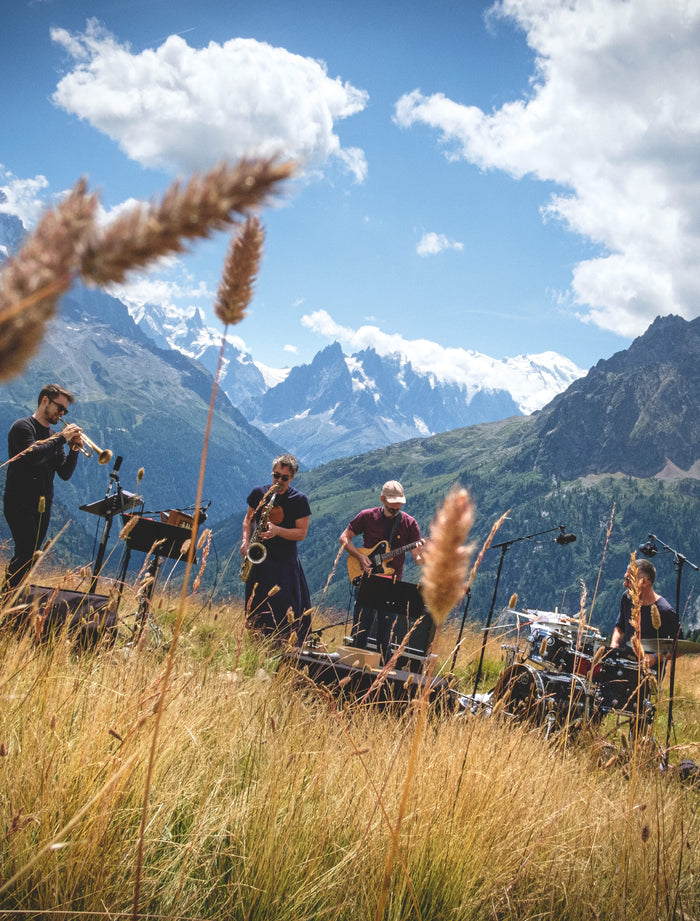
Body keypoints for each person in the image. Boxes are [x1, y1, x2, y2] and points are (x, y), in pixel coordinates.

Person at [3, 384, 83, 594]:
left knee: (27, 559)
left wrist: (74, 449)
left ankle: (9, 602)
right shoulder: (23, 427)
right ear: (45, 400)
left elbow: (64, 473)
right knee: (25, 555)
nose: (62, 413)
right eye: (60, 407)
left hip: (42, 507)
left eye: (65, 410)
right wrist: (62, 438)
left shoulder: (54, 435)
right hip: (19, 503)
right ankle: (5, 601)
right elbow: (33, 456)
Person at [339, 480, 424, 664]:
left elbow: (417, 558)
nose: (395, 508)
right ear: (382, 499)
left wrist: (427, 558)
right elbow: (344, 538)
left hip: (393, 585)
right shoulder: (367, 516)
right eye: (391, 505)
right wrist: (360, 557)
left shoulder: (409, 524)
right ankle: (353, 672)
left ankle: (382, 679)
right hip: (368, 580)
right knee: (360, 631)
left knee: (385, 638)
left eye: (398, 505)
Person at [241, 453, 311, 642]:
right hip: (260, 561)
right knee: (255, 607)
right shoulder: (259, 493)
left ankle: (280, 649)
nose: (278, 481)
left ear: (292, 477)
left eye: (284, 478)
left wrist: (278, 531)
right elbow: (248, 519)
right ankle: (254, 646)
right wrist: (245, 541)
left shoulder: (299, 500)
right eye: (275, 475)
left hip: (284, 564)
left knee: (282, 613)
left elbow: (301, 533)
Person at [610, 559, 679, 671]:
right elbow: (620, 626)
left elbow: (678, 648)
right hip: (623, 665)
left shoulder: (665, 611)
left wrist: (655, 657)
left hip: (648, 673)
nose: (624, 584)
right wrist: (614, 642)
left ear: (644, 582)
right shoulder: (627, 598)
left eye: (629, 580)